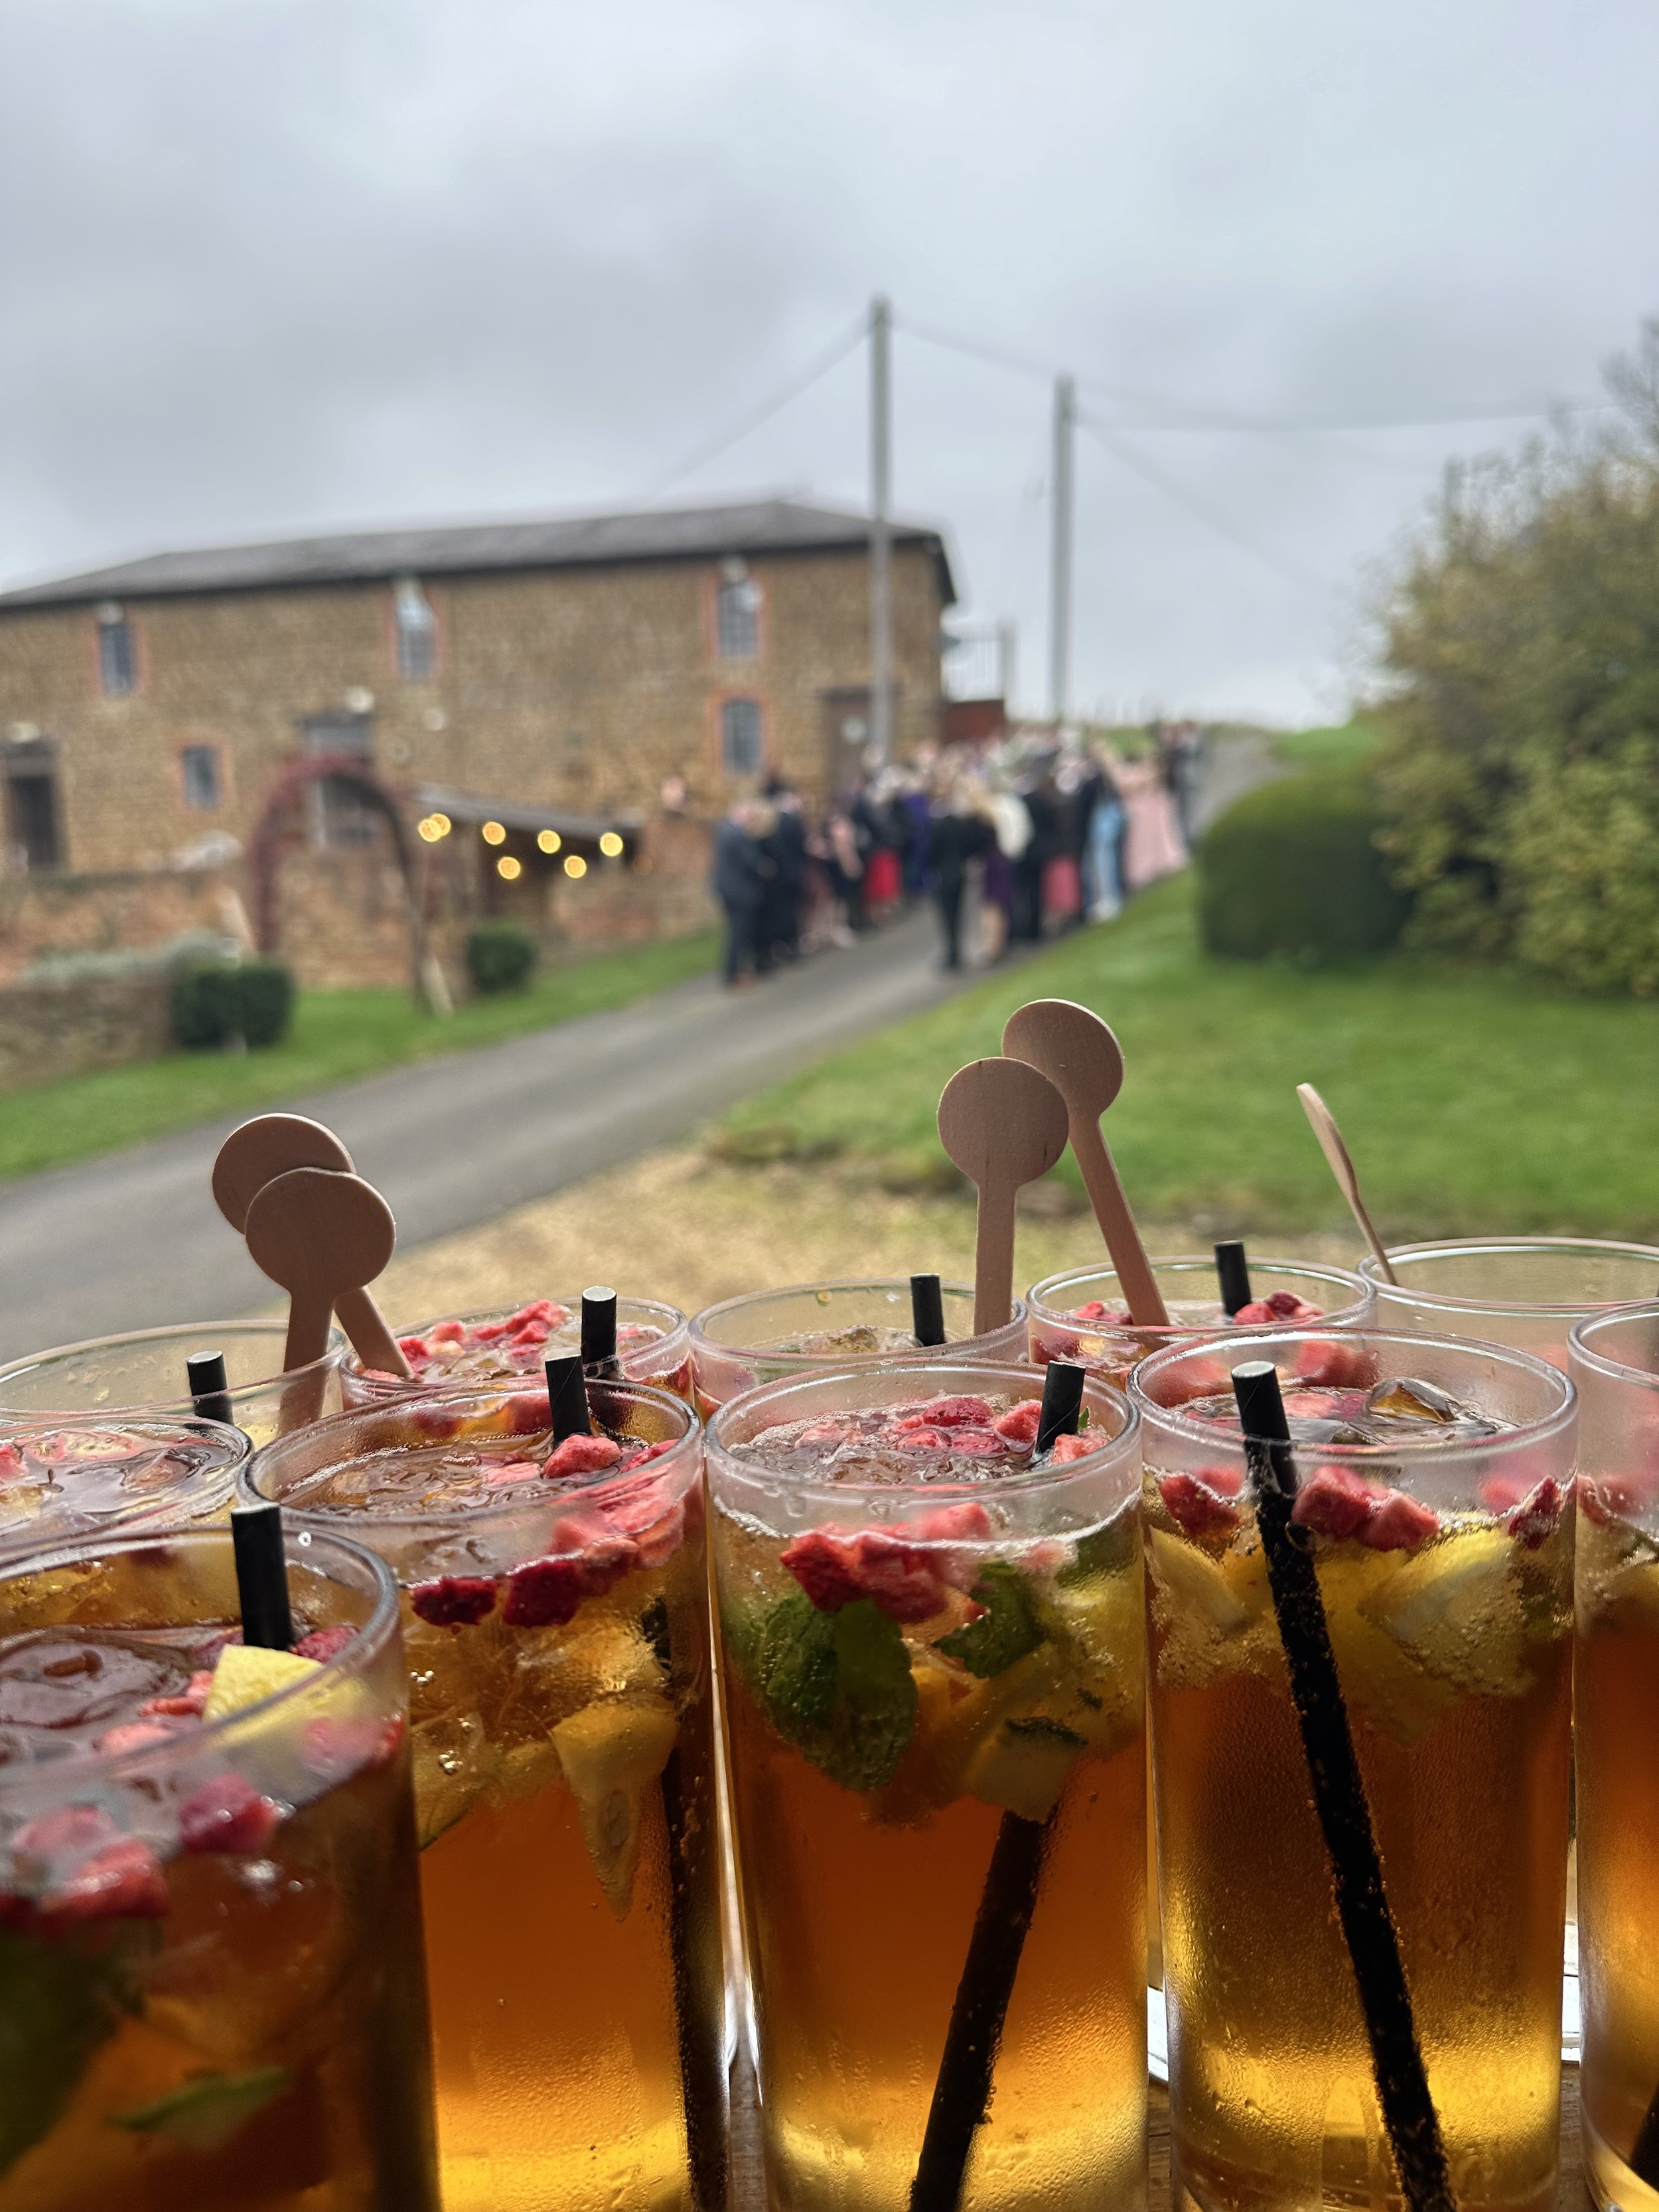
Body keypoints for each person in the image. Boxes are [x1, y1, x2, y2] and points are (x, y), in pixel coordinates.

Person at [923, 778, 993, 971]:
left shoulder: (937, 826)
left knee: (947, 917)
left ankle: (952, 954)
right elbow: (972, 845)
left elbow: (930, 853)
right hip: (960, 873)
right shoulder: (961, 824)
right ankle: (958, 952)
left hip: (943, 877)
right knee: (959, 914)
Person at [711, 798, 766, 987]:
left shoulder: (724, 831)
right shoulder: (738, 834)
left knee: (736, 931)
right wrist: (764, 868)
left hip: (728, 890)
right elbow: (752, 863)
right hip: (739, 892)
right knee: (738, 933)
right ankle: (732, 974)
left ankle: (736, 970)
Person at [757, 778, 807, 968]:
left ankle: (781, 947)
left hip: (776, 877)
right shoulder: (791, 821)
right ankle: (790, 946)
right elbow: (799, 847)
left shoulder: (770, 824)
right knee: (789, 913)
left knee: (780, 913)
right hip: (789, 874)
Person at [1082, 747, 1126, 921]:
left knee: (1105, 860)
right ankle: (1104, 899)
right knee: (1100, 860)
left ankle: (1109, 899)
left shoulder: (1108, 779)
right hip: (1102, 819)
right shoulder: (1100, 780)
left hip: (1106, 819)